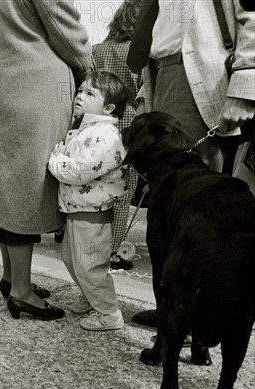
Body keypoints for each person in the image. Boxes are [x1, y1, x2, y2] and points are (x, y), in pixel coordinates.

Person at [127, 0, 255, 327]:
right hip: (164, 72)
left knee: (197, 214)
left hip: (199, 76)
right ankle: (175, 309)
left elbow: (249, 14)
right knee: (166, 213)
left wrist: (245, 83)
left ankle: (194, 316)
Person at [0, 0, 92, 320]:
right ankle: (22, 292)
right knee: (27, 188)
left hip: (6, 85)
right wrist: (90, 69)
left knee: (8, 184)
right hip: (34, 85)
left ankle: (11, 277)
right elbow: (63, 25)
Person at [49, 71, 130, 331]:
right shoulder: (87, 129)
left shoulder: (104, 135)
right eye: (80, 90)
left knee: (90, 265)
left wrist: (55, 160)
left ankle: (109, 314)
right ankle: (91, 294)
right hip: (79, 210)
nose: (80, 96)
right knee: (73, 259)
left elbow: (79, 171)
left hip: (93, 213)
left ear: (108, 107)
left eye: (89, 93)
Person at [92, 0, 143, 270]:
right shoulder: (138, 51)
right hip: (129, 123)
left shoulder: (97, 50)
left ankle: (90, 242)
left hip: (99, 122)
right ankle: (113, 251)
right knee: (123, 191)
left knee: (98, 186)